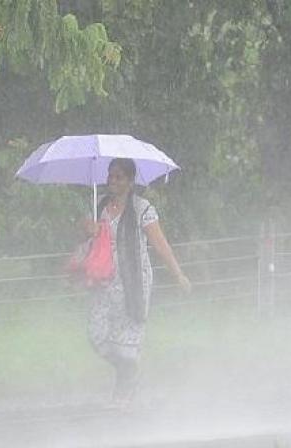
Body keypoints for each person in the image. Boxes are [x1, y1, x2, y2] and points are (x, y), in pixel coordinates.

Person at [82, 158, 191, 406]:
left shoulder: (142, 208)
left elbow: (161, 245)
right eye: (110, 175)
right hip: (104, 282)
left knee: (127, 343)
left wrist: (178, 274)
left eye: (119, 177)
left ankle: (123, 390)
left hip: (133, 284)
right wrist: (88, 229)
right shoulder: (98, 207)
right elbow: (84, 237)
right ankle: (129, 373)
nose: (113, 181)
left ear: (130, 181)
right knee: (97, 335)